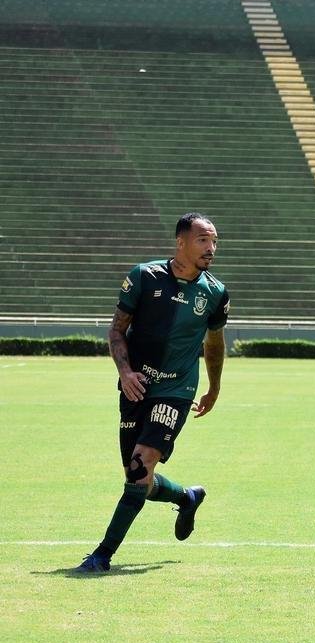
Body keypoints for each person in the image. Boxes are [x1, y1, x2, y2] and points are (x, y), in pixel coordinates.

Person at [75, 213, 230, 573]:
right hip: (136, 385)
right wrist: (125, 372)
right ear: (181, 242)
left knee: (139, 467)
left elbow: (215, 344)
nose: (211, 248)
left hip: (176, 389)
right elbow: (117, 330)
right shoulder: (143, 277)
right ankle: (187, 497)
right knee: (138, 481)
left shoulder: (215, 293)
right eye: (203, 240)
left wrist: (214, 388)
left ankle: (101, 556)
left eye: (214, 241)